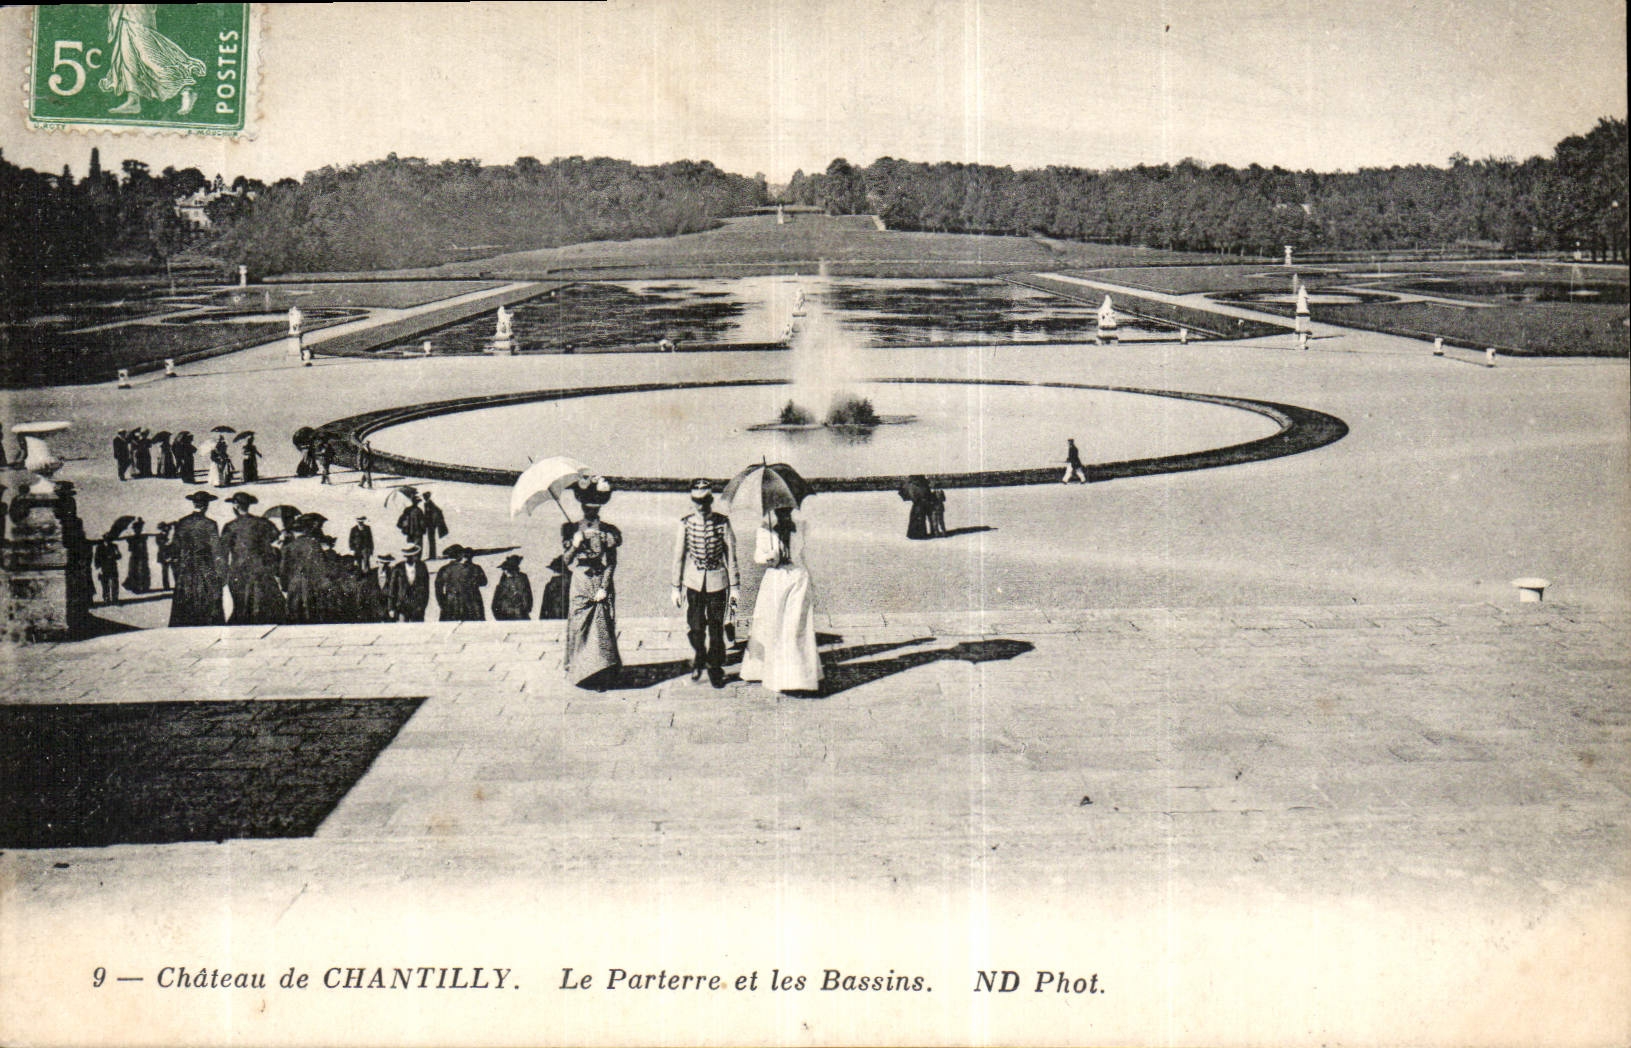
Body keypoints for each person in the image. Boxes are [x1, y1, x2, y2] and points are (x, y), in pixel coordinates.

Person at [740, 507, 823, 694]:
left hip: (798, 577)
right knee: (771, 625)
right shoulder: (765, 530)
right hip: (775, 579)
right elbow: (758, 556)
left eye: (787, 510)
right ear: (774, 511)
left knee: (796, 627)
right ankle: (764, 671)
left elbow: (805, 555)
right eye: (780, 511)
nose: (783, 514)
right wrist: (769, 556)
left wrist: (812, 582)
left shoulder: (801, 526)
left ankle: (798, 677)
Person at [671, 479, 740, 687]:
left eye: (705, 500)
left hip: (718, 581)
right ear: (692, 501)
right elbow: (679, 557)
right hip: (693, 582)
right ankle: (700, 654)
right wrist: (675, 587)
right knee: (695, 627)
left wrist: (735, 587)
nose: (701, 505)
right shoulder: (686, 523)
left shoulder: (722, 522)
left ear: (711, 500)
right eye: (697, 500)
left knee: (716, 628)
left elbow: (731, 555)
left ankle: (715, 667)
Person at [99, 4, 206, 117]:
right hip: (124, 11)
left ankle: (186, 89)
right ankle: (133, 99)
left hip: (137, 11)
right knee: (128, 54)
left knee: (149, 55)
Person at [563, 480, 620, 685]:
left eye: (594, 508)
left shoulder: (608, 531)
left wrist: (604, 587)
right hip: (580, 582)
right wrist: (575, 544)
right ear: (582, 507)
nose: (590, 512)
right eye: (587, 508)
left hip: (600, 580)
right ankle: (580, 671)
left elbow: (611, 562)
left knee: (601, 627)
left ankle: (601, 673)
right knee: (579, 626)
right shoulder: (570, 529)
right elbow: (565, 561)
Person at [221, 492, 286, 625]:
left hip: (239, 571)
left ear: (236, 506)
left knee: (242, 606)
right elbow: (276, 539)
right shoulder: (262, 522)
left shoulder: (230, 526)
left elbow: (223, 551)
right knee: (263, 603)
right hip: (260, 569)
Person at [169, 491, 224, 626]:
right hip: (205, 567)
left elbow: (174, 548)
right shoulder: (210, 524)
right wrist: (220, 573)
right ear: (206, 506)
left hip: (186, 568)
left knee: (185, 600)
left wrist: (178, 568)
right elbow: (216, 550)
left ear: (194, 504)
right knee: (207, 600)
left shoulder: (183, 522)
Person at [278, 513, 328, 624]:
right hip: (312, 585)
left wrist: (284, 585)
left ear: (293, 532)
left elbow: (283, 570)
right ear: (306, 530)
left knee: (294, 616)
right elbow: (322, 566)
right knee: (313, 616)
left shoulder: (288, 547)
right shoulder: (314, 544)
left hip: (294, 584)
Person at [434, 544, 488, 621]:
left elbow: (438, 589)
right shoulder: (475, 568)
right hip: (472, 605)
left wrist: (443, 604)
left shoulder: (445, 569)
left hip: (451, 605)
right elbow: (484, 582)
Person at [388, 544, 430, 622]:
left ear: (415, 556)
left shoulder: (422, 566)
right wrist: (391, 608)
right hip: (402, 606)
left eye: (411, 556)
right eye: (407, 556)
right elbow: (392, 589)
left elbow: (426, 588)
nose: (409, 559)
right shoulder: (398, 568)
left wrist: (423, 605)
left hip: (417, 607)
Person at [491, 554, 533, 620]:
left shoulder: (506, 581)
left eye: (504, 569)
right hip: (520, 614)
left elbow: (496, 601)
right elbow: (528, 598)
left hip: (509, 614)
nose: (504, 572)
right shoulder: (523, 577)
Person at [123, 517, 151, 594]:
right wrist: (130, 542)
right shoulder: (133, 538)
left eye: (140, 528)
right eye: (137, 528)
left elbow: (144, 548)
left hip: (143, 556)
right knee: (134, 571)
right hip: (135, 557)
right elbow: (130, 549)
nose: (139, 530)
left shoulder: (143, 537)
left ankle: (144, 587)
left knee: (143, 570)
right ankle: (135, 587)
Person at [538, 553, 568, 620]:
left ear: (554, 571)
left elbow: (545, 605)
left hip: (552, 616)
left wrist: (542, 619)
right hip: (567, 616)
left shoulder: (550, 585)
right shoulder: (569, 583)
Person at [420, 490, 449, 559]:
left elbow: (430, 514)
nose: (424, 498)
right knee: (431, 540)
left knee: (431, 540)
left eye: (425, 496)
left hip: (431, 525)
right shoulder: (428, 504)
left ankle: (432, 555)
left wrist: (429, 522)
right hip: (431, 524)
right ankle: (432, 555)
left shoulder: (429, 504)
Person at [94, 537, 122, 604]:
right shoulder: (99, 548)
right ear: (104, 540)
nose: (107, 541)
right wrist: (98, 568)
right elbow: (96, 558)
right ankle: (106, 598)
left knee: (114, 583)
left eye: (109, 539)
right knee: (104, 583)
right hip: (104, 568)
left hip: (113, 567)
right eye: (106, 539)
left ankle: (115, 598)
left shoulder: (114, 546)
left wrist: (113, 556)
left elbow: (119, 556)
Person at [154, 521, 175, 589]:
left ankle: (175, 585)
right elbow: (163, 544)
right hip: (163, 555)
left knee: (173, 570)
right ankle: (166, 586)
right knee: (165, 571)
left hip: (170, 554)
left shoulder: (168, 535)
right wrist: (170, 541)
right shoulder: (159, 536)